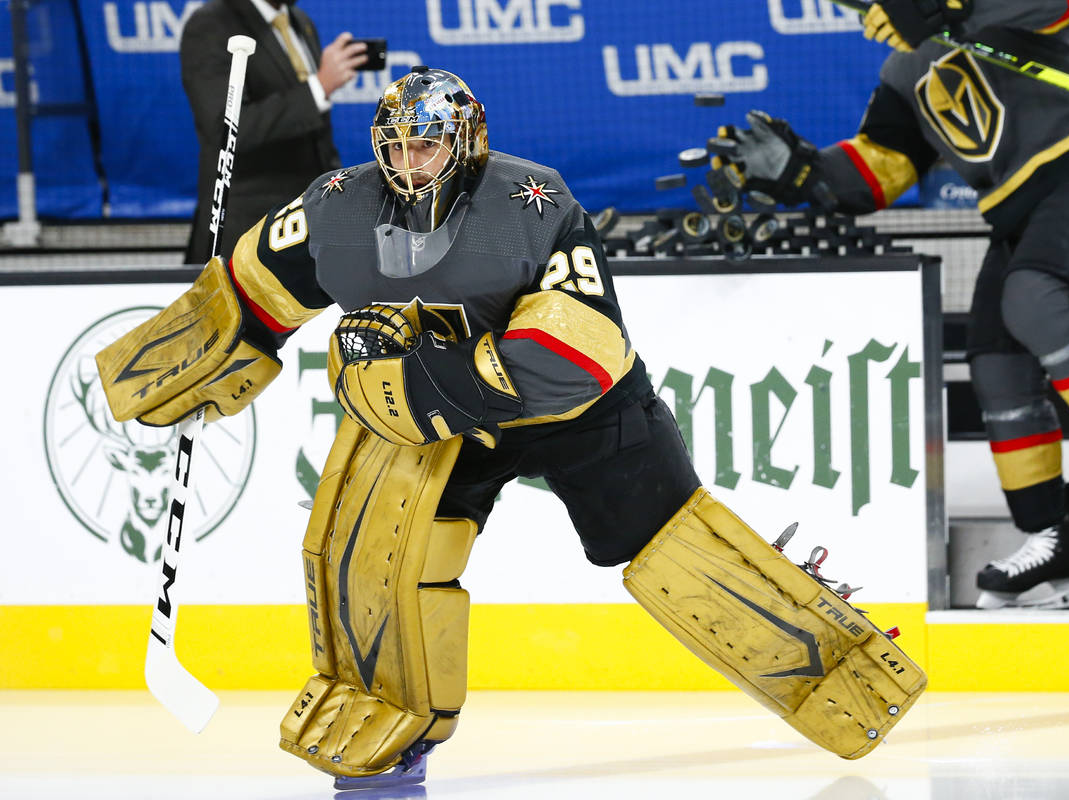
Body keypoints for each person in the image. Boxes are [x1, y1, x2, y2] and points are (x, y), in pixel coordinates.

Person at [93, 68, 925, 788]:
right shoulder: (336, 209)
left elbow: (580, 353)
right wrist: (193, 363)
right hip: (443, 424)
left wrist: (405, 379)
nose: (409, 162)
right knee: (372, 551)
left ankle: (835, 664)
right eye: (396, 144)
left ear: (468, 143)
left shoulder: (534, 202)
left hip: (575, 413)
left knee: (678, 545)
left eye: (428, 145)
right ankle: (396, 721)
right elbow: (249, 291)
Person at [710, 0, 1069, 610]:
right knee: (995, 358)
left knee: (1034, 299)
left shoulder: (989, 9)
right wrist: (802, 173)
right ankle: (1051, 542)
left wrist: (941, 11)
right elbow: (882, 169)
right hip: (1019, 206)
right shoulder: (902, 69)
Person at [180, 0, 368, 264]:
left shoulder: (299, 21)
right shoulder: (212, 24)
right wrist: (318, 88)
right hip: (246, 235)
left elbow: (316, 133)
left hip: (306, 229)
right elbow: (227, 128)